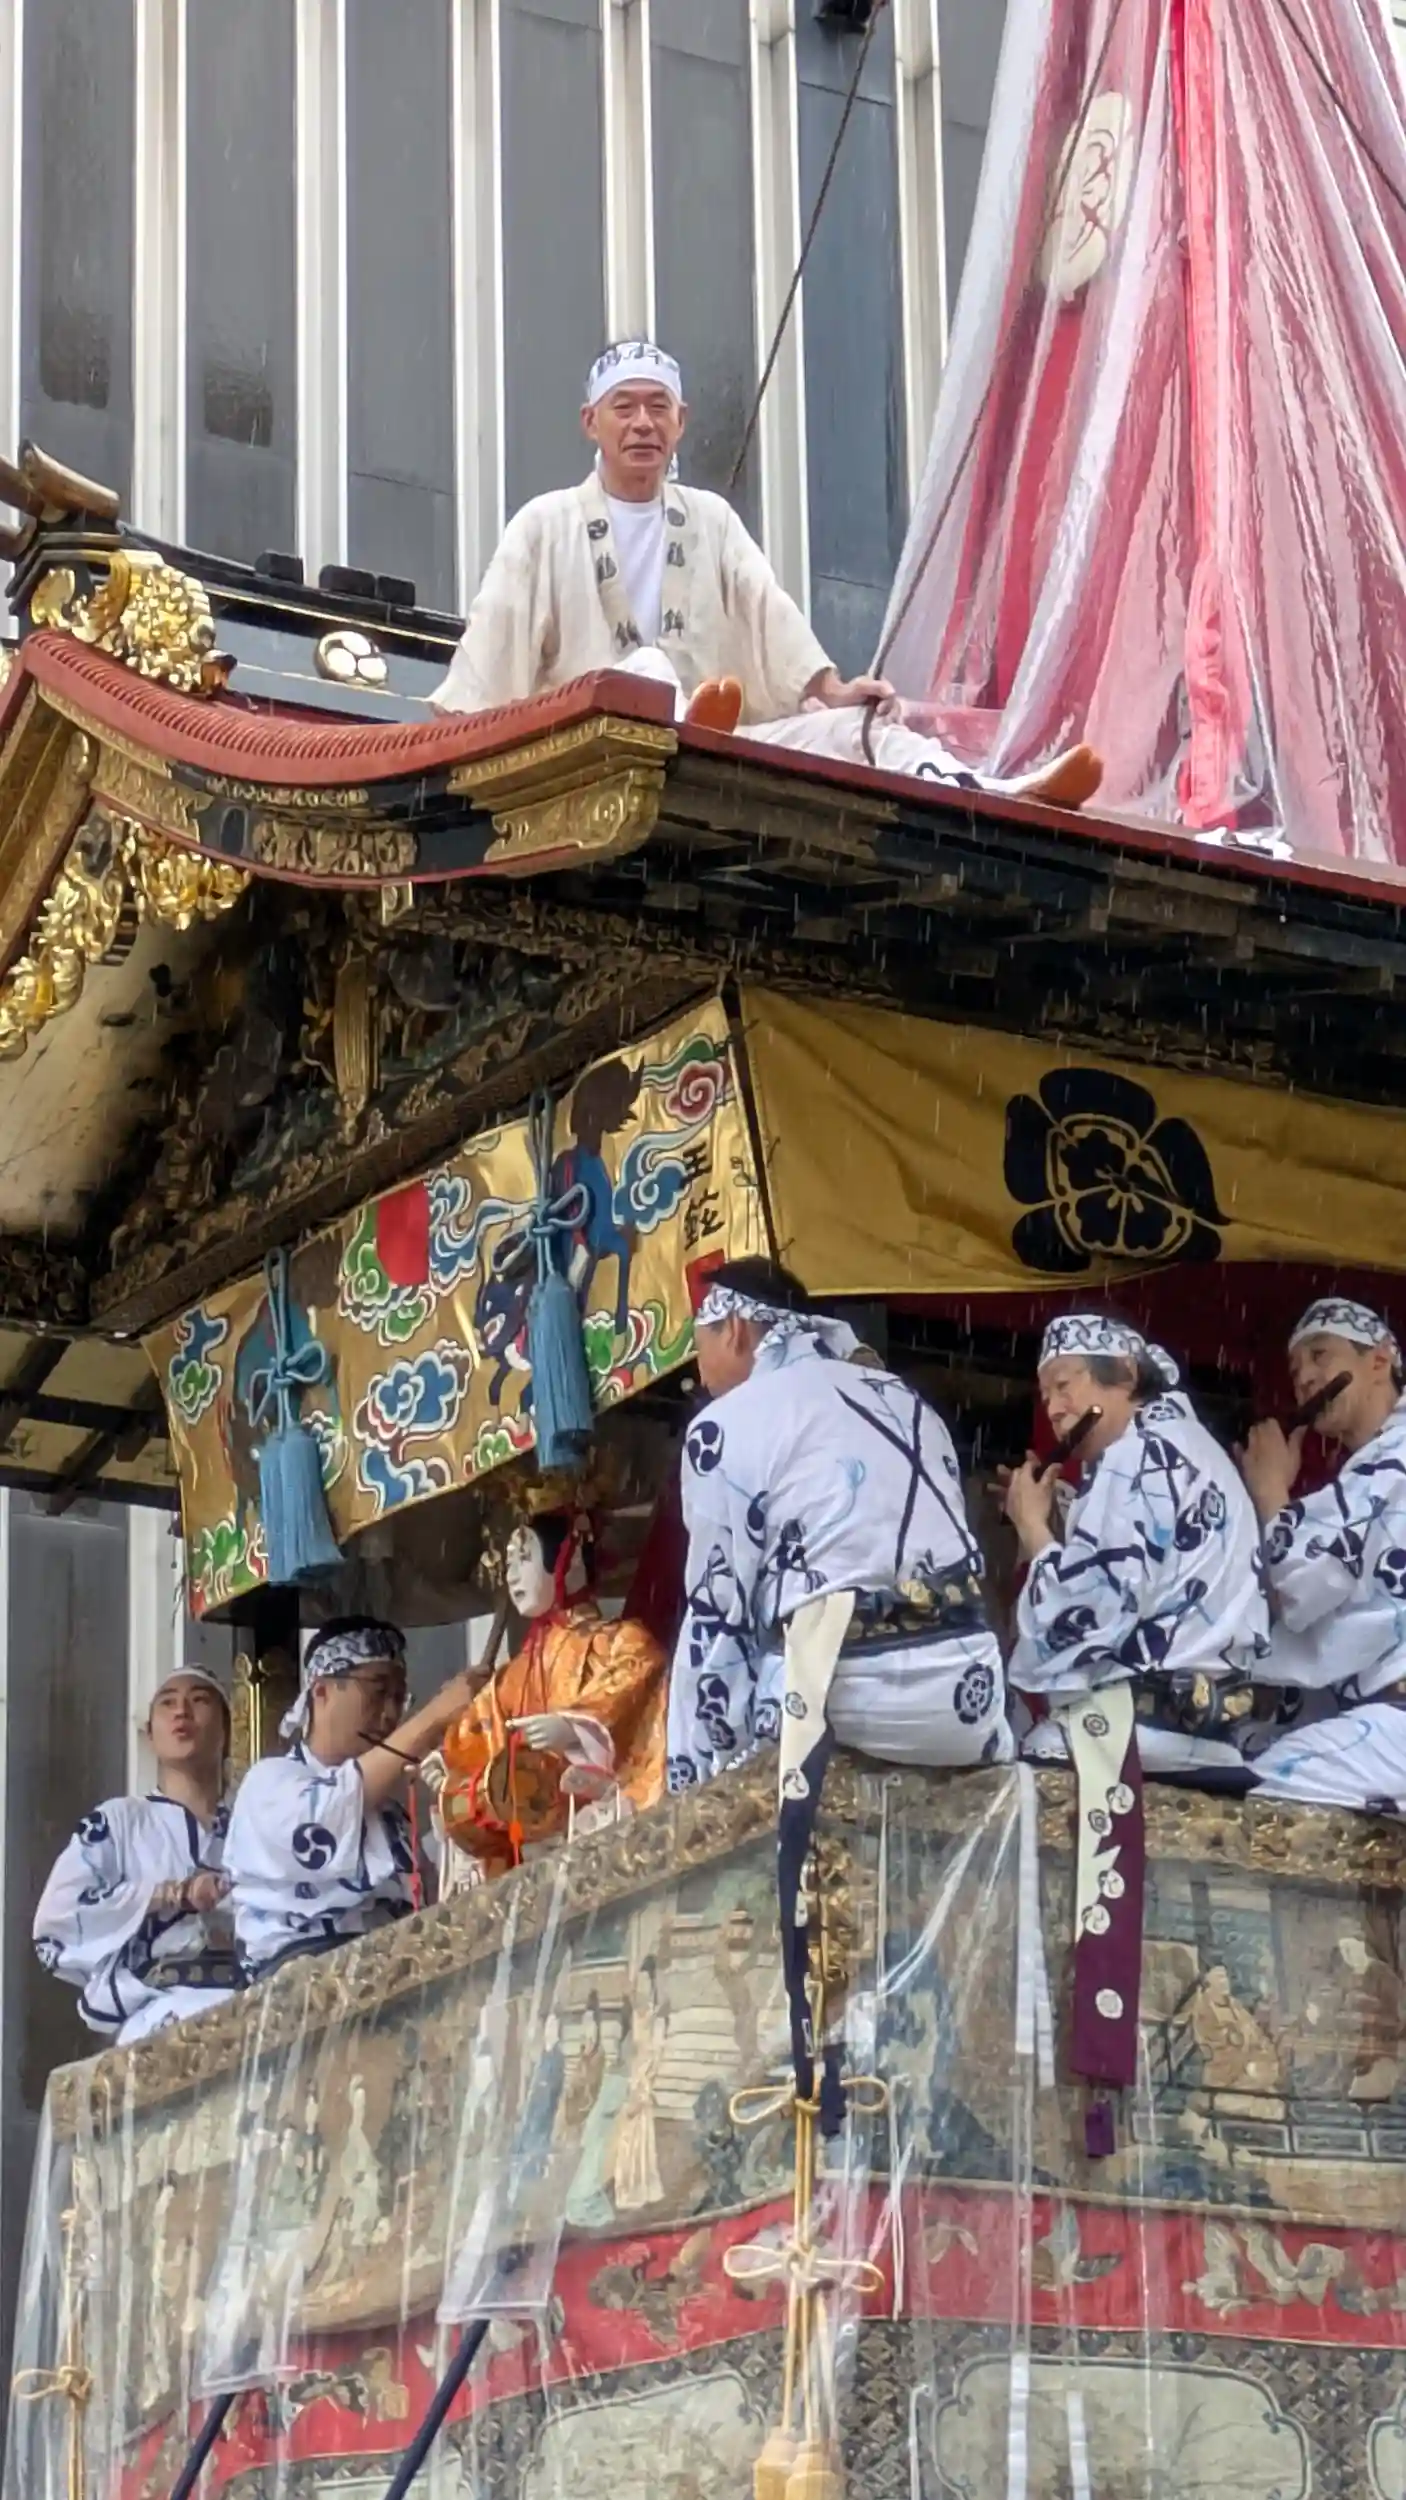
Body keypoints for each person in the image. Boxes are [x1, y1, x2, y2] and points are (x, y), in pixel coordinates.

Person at [431, 338, 1103, 811]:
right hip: (590, 748)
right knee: (648, 671)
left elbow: (767, 608)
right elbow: (488, 659)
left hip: (721, 742)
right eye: (624, 407)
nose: (642, 424)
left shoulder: (711, 520)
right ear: (591, 422)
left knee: (856, 731)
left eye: (658, 407)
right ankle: (685, 724)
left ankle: (995, 791)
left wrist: (833, 691)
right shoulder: (544, 523)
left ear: (681, 422)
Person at [666, 1256, 1012, 1788]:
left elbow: (719, 1610)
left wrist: (698, 1770)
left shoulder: (723, 1425)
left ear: (734, 1329)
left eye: (700, 1345)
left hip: (834, 1696)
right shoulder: (909, 1401)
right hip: (967, 1692)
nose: (699, 1368)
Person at [1004, 1315, 1268, 1771]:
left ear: (1126, 1374)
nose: (1054, 1409)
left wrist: (1032, 1528)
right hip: (1209, 1725)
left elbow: (1088, 1614)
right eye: (1045, 1396)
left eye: (1064, 1385)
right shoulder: (1194, 1445)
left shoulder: (1137, 1452)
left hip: (1134, 1726)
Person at [224, 1617, 478, 1980]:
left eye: (398, 1698)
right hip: (301, 1981)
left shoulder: (391, 1814)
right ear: (322, 1691)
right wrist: (434, 1717)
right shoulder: (270, 1780)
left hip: (396, 1971)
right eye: (378, 1691)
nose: (390, 1713)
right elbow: (330, 1812)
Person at [439, 1485, 667, 1875]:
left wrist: (575, 1729)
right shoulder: (513, 1675)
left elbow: (639, 1676)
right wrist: (451, 1769)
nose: (512, 1574)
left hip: (602, 1839)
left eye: (524, 1556)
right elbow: (477, 1737)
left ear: (570, 1556)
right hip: (534, 1852)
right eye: (508, 1562)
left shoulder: (622, 1644)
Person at [1239, 1298, 1406, 1812]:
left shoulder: (1396, 1456)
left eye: (1320, 1355)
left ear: (1379, 1360)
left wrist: (1271, 1491)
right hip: (1381, 1717)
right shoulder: (1373, 1467)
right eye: (1295, 1371)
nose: (1306, 1379)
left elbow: (1304, 1590)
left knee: (1258, 1791)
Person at [33, 1667, 237, 2045]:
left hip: (251, 2004)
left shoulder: (251, 1822)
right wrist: (169, 1895)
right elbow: (57, 1919)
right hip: (155, 2014)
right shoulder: (119, 1821)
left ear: (226, 1730)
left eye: (199, 1700)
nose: (182, 1712)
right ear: (150, 1734)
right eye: (168, 1703)